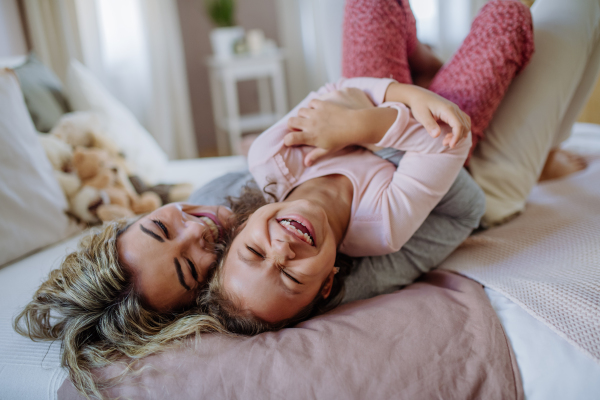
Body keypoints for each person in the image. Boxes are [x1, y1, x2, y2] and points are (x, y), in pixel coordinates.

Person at [14, 0, 600, 397]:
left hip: (379, 122)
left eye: (161, 228)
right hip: (453, 172)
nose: (200, 230)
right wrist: (372, 125)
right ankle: (505, 129)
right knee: (547, 16)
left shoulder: (254, 188)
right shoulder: (324, 266)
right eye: (194, 268)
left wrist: (383, 100)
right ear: (201, 300)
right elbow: (459, 195)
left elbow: (318, 109)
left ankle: (429, 73)